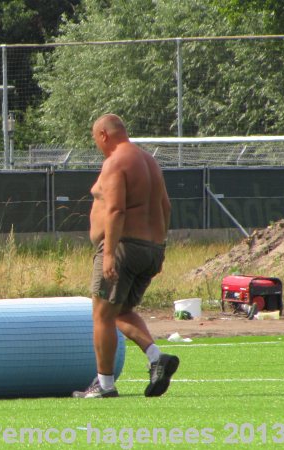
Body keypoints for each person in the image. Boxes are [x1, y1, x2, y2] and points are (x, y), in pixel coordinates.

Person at [73, 114, 178, 399]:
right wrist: (161, 245)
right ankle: (157, 358)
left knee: (102, 316)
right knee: (120, 312)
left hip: (122, 248)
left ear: (104, 135)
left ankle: (104, 385)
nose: (98, 146)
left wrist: (108, 254)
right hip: (151, 249)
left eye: (96, 140)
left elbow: (116, 210)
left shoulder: (116, 162)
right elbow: (165, 207)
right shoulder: (150, 161)